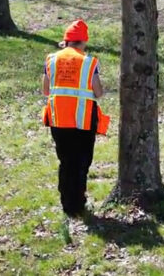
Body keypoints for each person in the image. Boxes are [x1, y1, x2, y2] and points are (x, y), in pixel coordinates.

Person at [41, 19, 109, 218]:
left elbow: (46, 90)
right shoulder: (89, 62)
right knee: (82, 161)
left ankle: (66, 202)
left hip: (58, 119)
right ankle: (78, 202)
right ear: (83, 41)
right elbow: (98, 92)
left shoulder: (51, 59)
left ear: (66, 40)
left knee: (66, 160)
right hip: (83, 119)